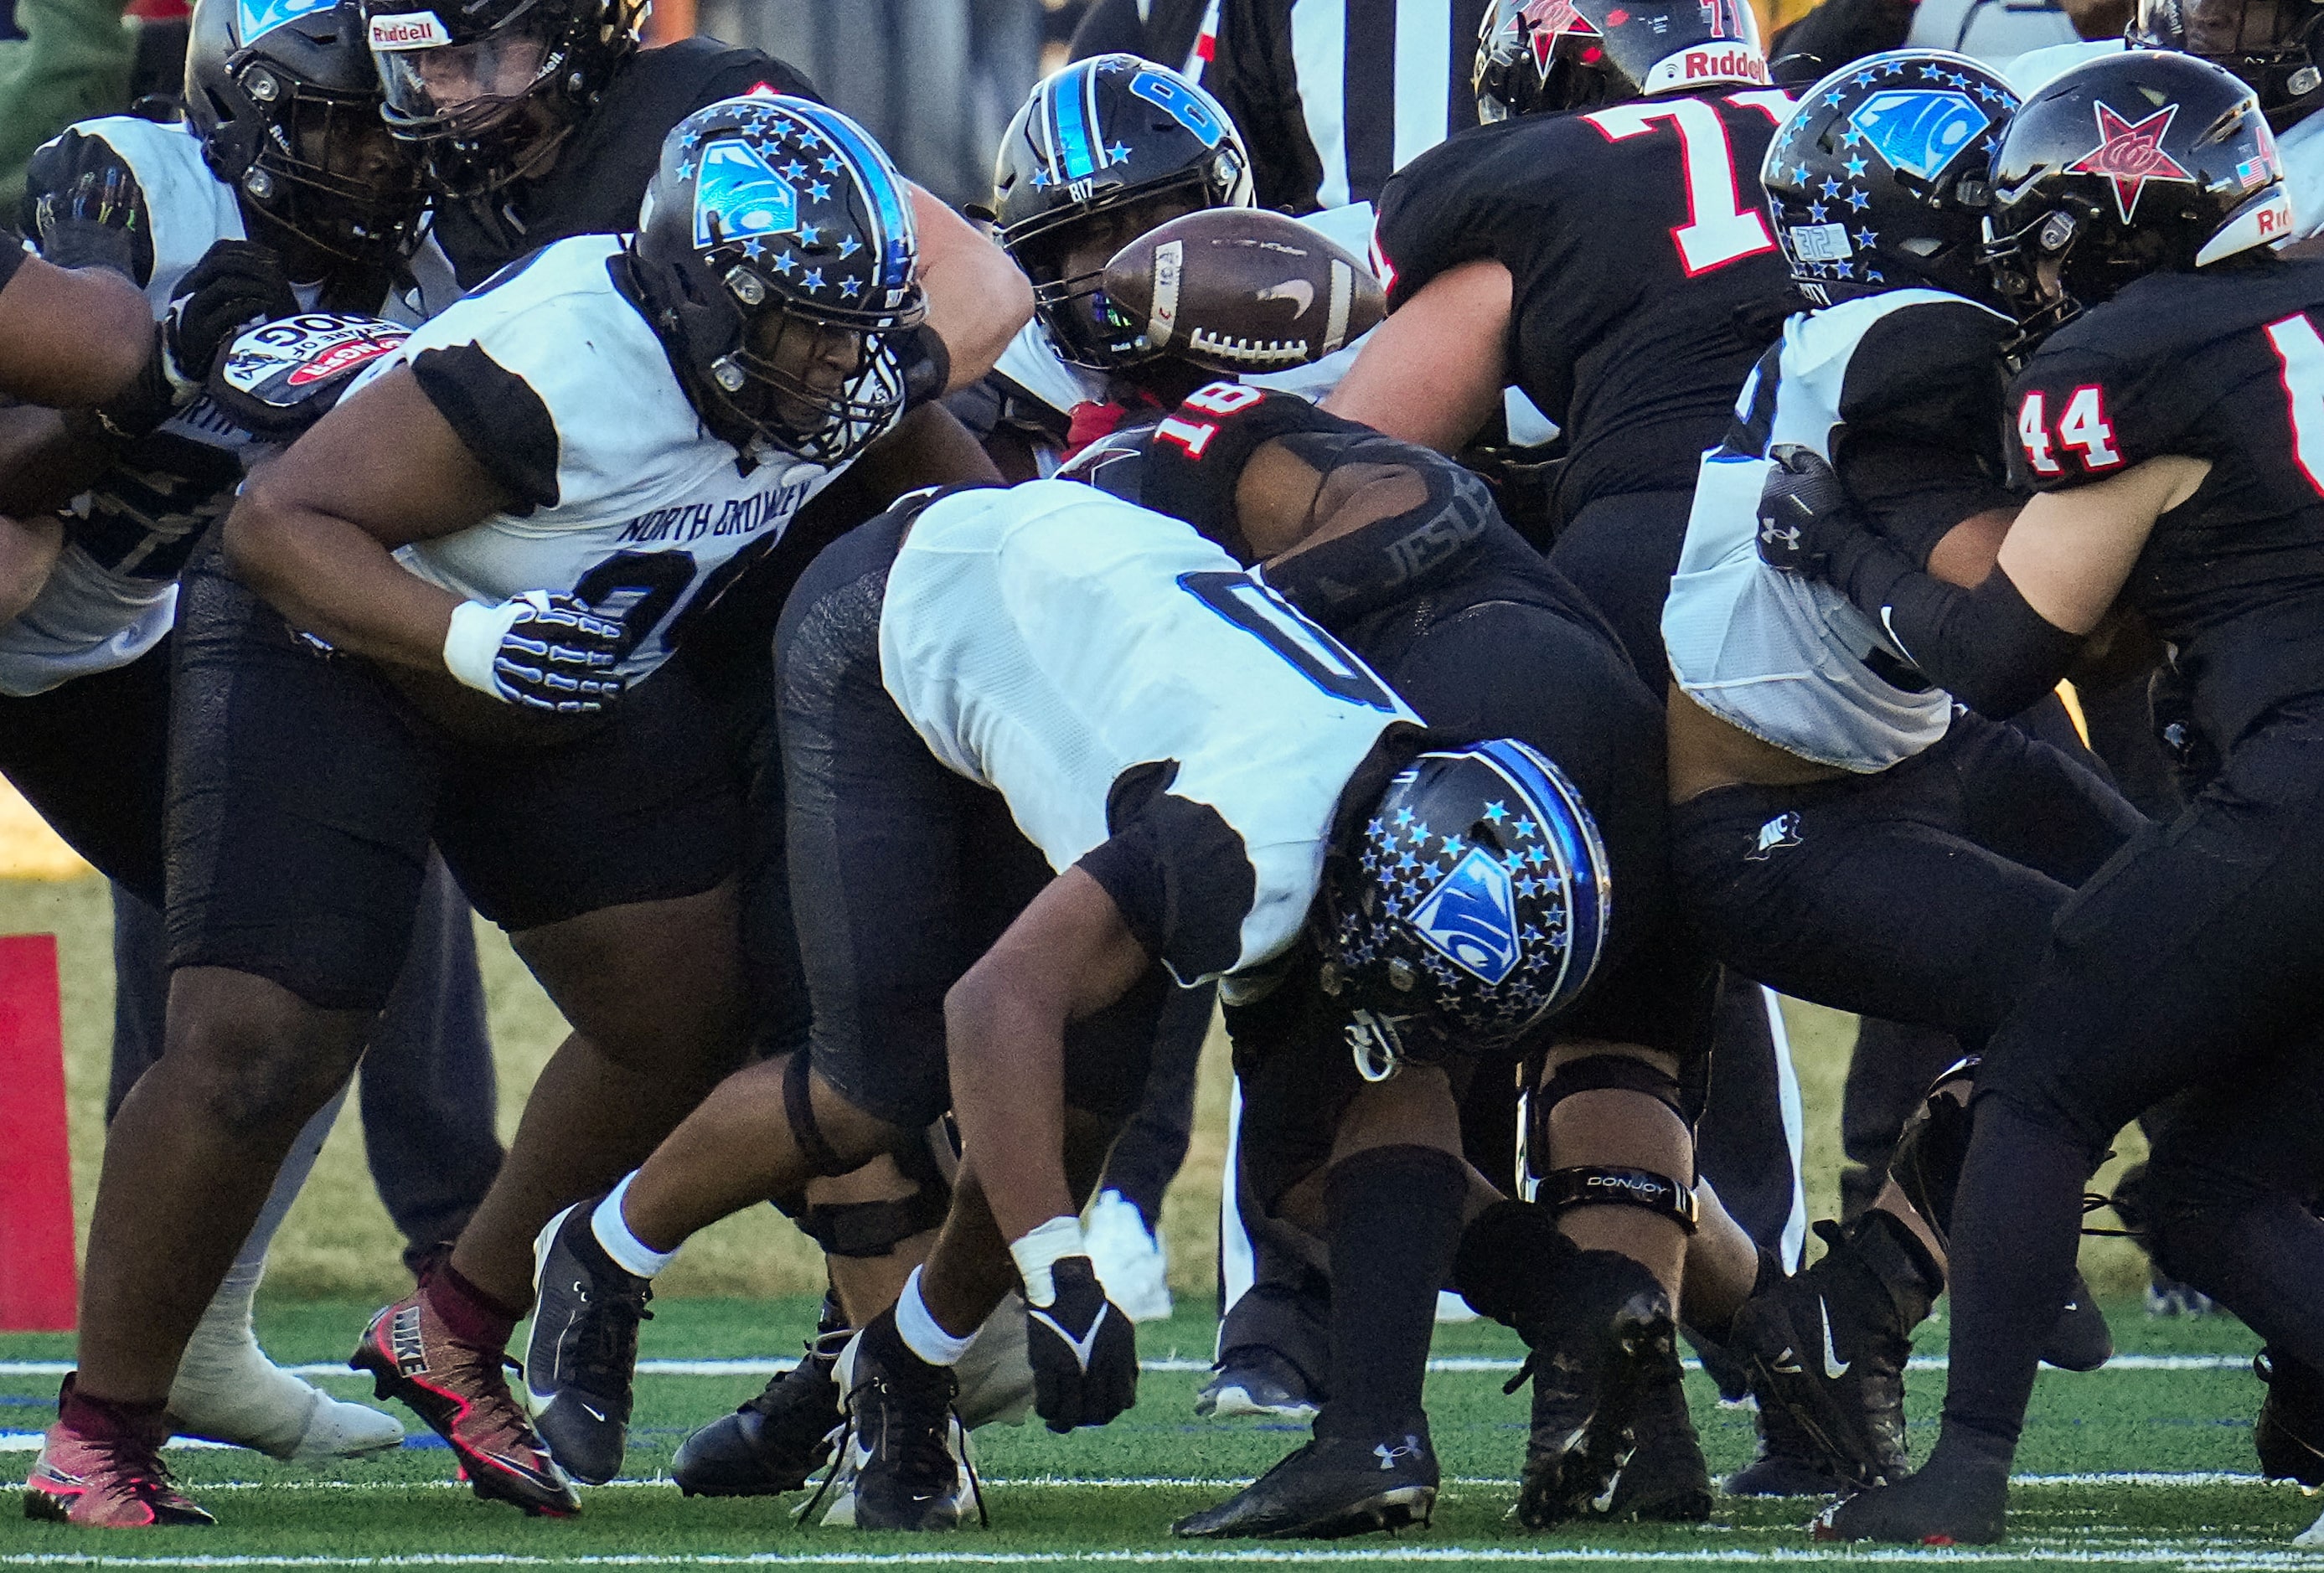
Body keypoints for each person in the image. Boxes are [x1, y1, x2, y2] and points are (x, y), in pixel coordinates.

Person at [28, 91, 1022, 1531]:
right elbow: (272, 524)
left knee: (683, 1003)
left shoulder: (843, 365)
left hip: (550, 670)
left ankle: (456, 1320)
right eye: (799, 327)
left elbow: (962, 519)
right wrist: (454, 637)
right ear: (692, 291)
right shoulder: (555, 362)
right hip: (345, 642)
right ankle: (100, 1426)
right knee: (262, 1039)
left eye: (851, 326)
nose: (830, 362)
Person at [1753, 50, 2321, 1544]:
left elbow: (2003, 652)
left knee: (2041, 1081)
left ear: (2105, 217)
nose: (2023, 256)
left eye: (2041, 223)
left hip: (2306, 785)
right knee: (2205, 1185)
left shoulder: (2133, 360)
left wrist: (1843, 546)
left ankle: (1962, 1478)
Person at [1657, 47, 2141, 1493]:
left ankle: (1873, 1301)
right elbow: (2012, 617)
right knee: (2100, 977)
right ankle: (1866, 1304)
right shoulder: (1918, 340)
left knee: (2175, 916)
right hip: (1777, 815)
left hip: (1895, 751)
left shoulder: (1863, 337)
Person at [3, 0, 473, 1493]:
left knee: (314, 952)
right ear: (249, 104)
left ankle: (195, 1330)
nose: (372, 162)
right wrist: (158, 384)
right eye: (338, 123)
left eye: (391, 126)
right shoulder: (127, 185)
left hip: (96, 650)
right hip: (23, 587)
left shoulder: (417, 248)